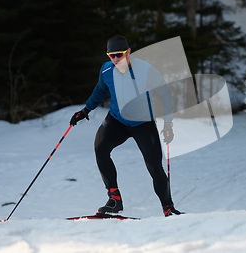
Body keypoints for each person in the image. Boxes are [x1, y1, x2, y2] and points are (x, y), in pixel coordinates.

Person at [70, 35, 182, 217]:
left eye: (120, 54)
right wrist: (85, 110)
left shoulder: (146, 70)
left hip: (143, 123)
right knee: (100, 148)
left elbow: (165, 94)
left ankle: (168, 208)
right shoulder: (106, 70)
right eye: (111, 55)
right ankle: (114, 199)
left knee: (154, 166)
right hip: (117, 120)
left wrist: (168, 123)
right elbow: (100, 91)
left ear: (128, 52)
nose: (115, 59)